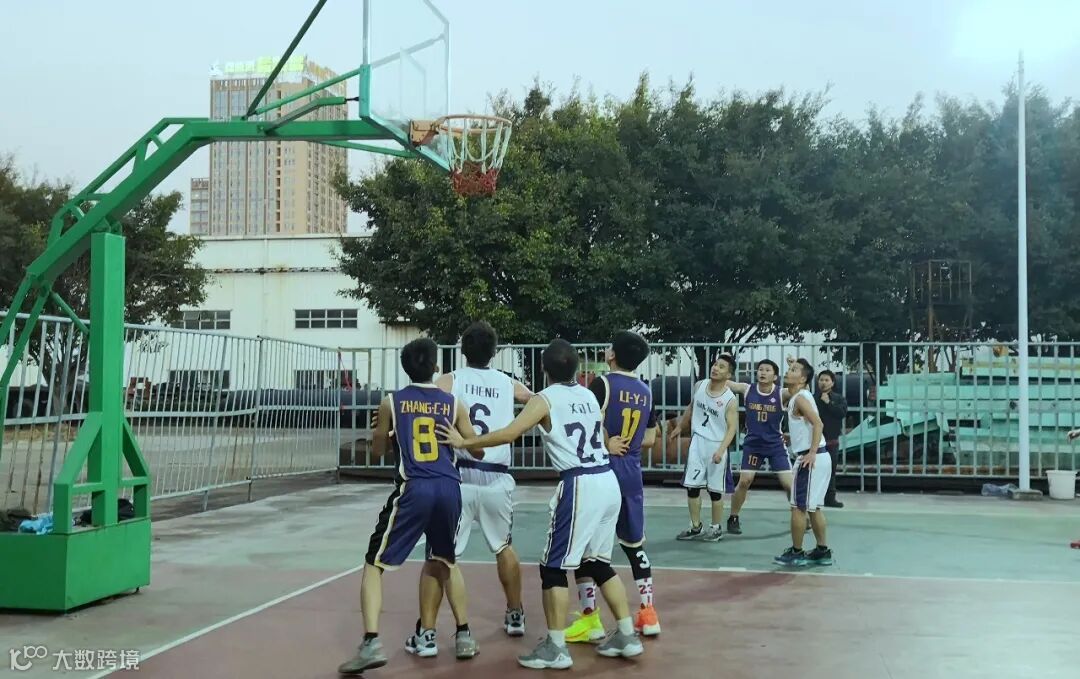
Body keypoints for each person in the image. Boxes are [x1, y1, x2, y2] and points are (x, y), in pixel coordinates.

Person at [438, 339, 644, 670]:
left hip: (580, 484)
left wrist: (466, 440)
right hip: (608, 480)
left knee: (553, 567)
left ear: (544, 369)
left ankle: (556, 647)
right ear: (576, 368)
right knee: (597, 563)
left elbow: (509, 434)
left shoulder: (544, 399)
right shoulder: (588, 395)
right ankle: (627, 634)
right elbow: (601, 432)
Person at [337, 338, 484, 675]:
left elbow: (377, 452)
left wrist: (386, 433)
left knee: (374, 563)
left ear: (405, 368)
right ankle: (464, 635)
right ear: (436, 367)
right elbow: (477, 450)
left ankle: (371, 642)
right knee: (447, 560)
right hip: (449, 487)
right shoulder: (454, 403)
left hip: (414, 487)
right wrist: (461, 441)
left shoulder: (391, 402)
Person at [423, 320, 533, 644]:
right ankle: (515, 612)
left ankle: (428, 630)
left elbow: (425, 398)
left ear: (462, 350)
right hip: (497, 475)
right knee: (503, 546)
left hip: (459, 475)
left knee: (442, 555)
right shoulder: (508, 382)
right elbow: (535, 400)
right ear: (494, 352)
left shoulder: (451, 380)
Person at [565, 331, 661, 644]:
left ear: (612, 355)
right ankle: (648, 612)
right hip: (632, 471)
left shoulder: (603, 384)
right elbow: (651, 438)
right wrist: (628, 444)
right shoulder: (646, 391)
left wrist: (608, 442)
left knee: (586, 546)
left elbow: (588, 423)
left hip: (603, 470)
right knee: (634, 545)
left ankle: (590, 617)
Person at [666, 354, 739, 542]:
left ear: (728, 375)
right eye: (715, 364)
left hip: (716, 445)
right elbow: (691, 407)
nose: (715, 368)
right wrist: (680, 426)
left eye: (721, 367)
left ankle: (715, 528)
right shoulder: (700, 386)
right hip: (697, 443)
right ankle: (695, 526)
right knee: (692, 487)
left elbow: (732, 428)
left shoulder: (730, 399)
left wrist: (721, 450)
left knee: (715, 490)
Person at [773, 358, 834, 567]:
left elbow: (818, 423)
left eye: (793, 370)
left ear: (802, 379)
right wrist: (794, 438)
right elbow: (808, 426)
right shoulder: (801, 395)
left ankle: (796, 552)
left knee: (798, 508)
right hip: (820, 456)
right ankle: (822, 551)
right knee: (813, 507)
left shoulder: (800, 398)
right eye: (789, 368)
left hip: (811, 458)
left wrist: (811, 452)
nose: (788, 371)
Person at [724, 359, 793, 535]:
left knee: (789, 485)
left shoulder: (781, 393)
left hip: (775, 445)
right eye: (760, 369)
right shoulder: (748, 389)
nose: (762, 372)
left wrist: (793, 368)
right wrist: (721, 367)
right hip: (753, 444)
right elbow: (727, 383)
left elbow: (801, 390)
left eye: (767, 370)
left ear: (775, 376)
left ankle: (801, 515)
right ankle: (733, 517)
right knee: (745, 481)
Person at [815, 369, 847, 508]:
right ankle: (814, 498)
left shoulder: (838, 399)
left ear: (832, 383)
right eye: (821, 380)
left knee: (831, 471)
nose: (823, 382)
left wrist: (829, 403)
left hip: (831, 441)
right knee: (814, 471)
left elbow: (841, 413)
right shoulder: (812, 398)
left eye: (827, 380)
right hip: (815, 441)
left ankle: (830, 498)